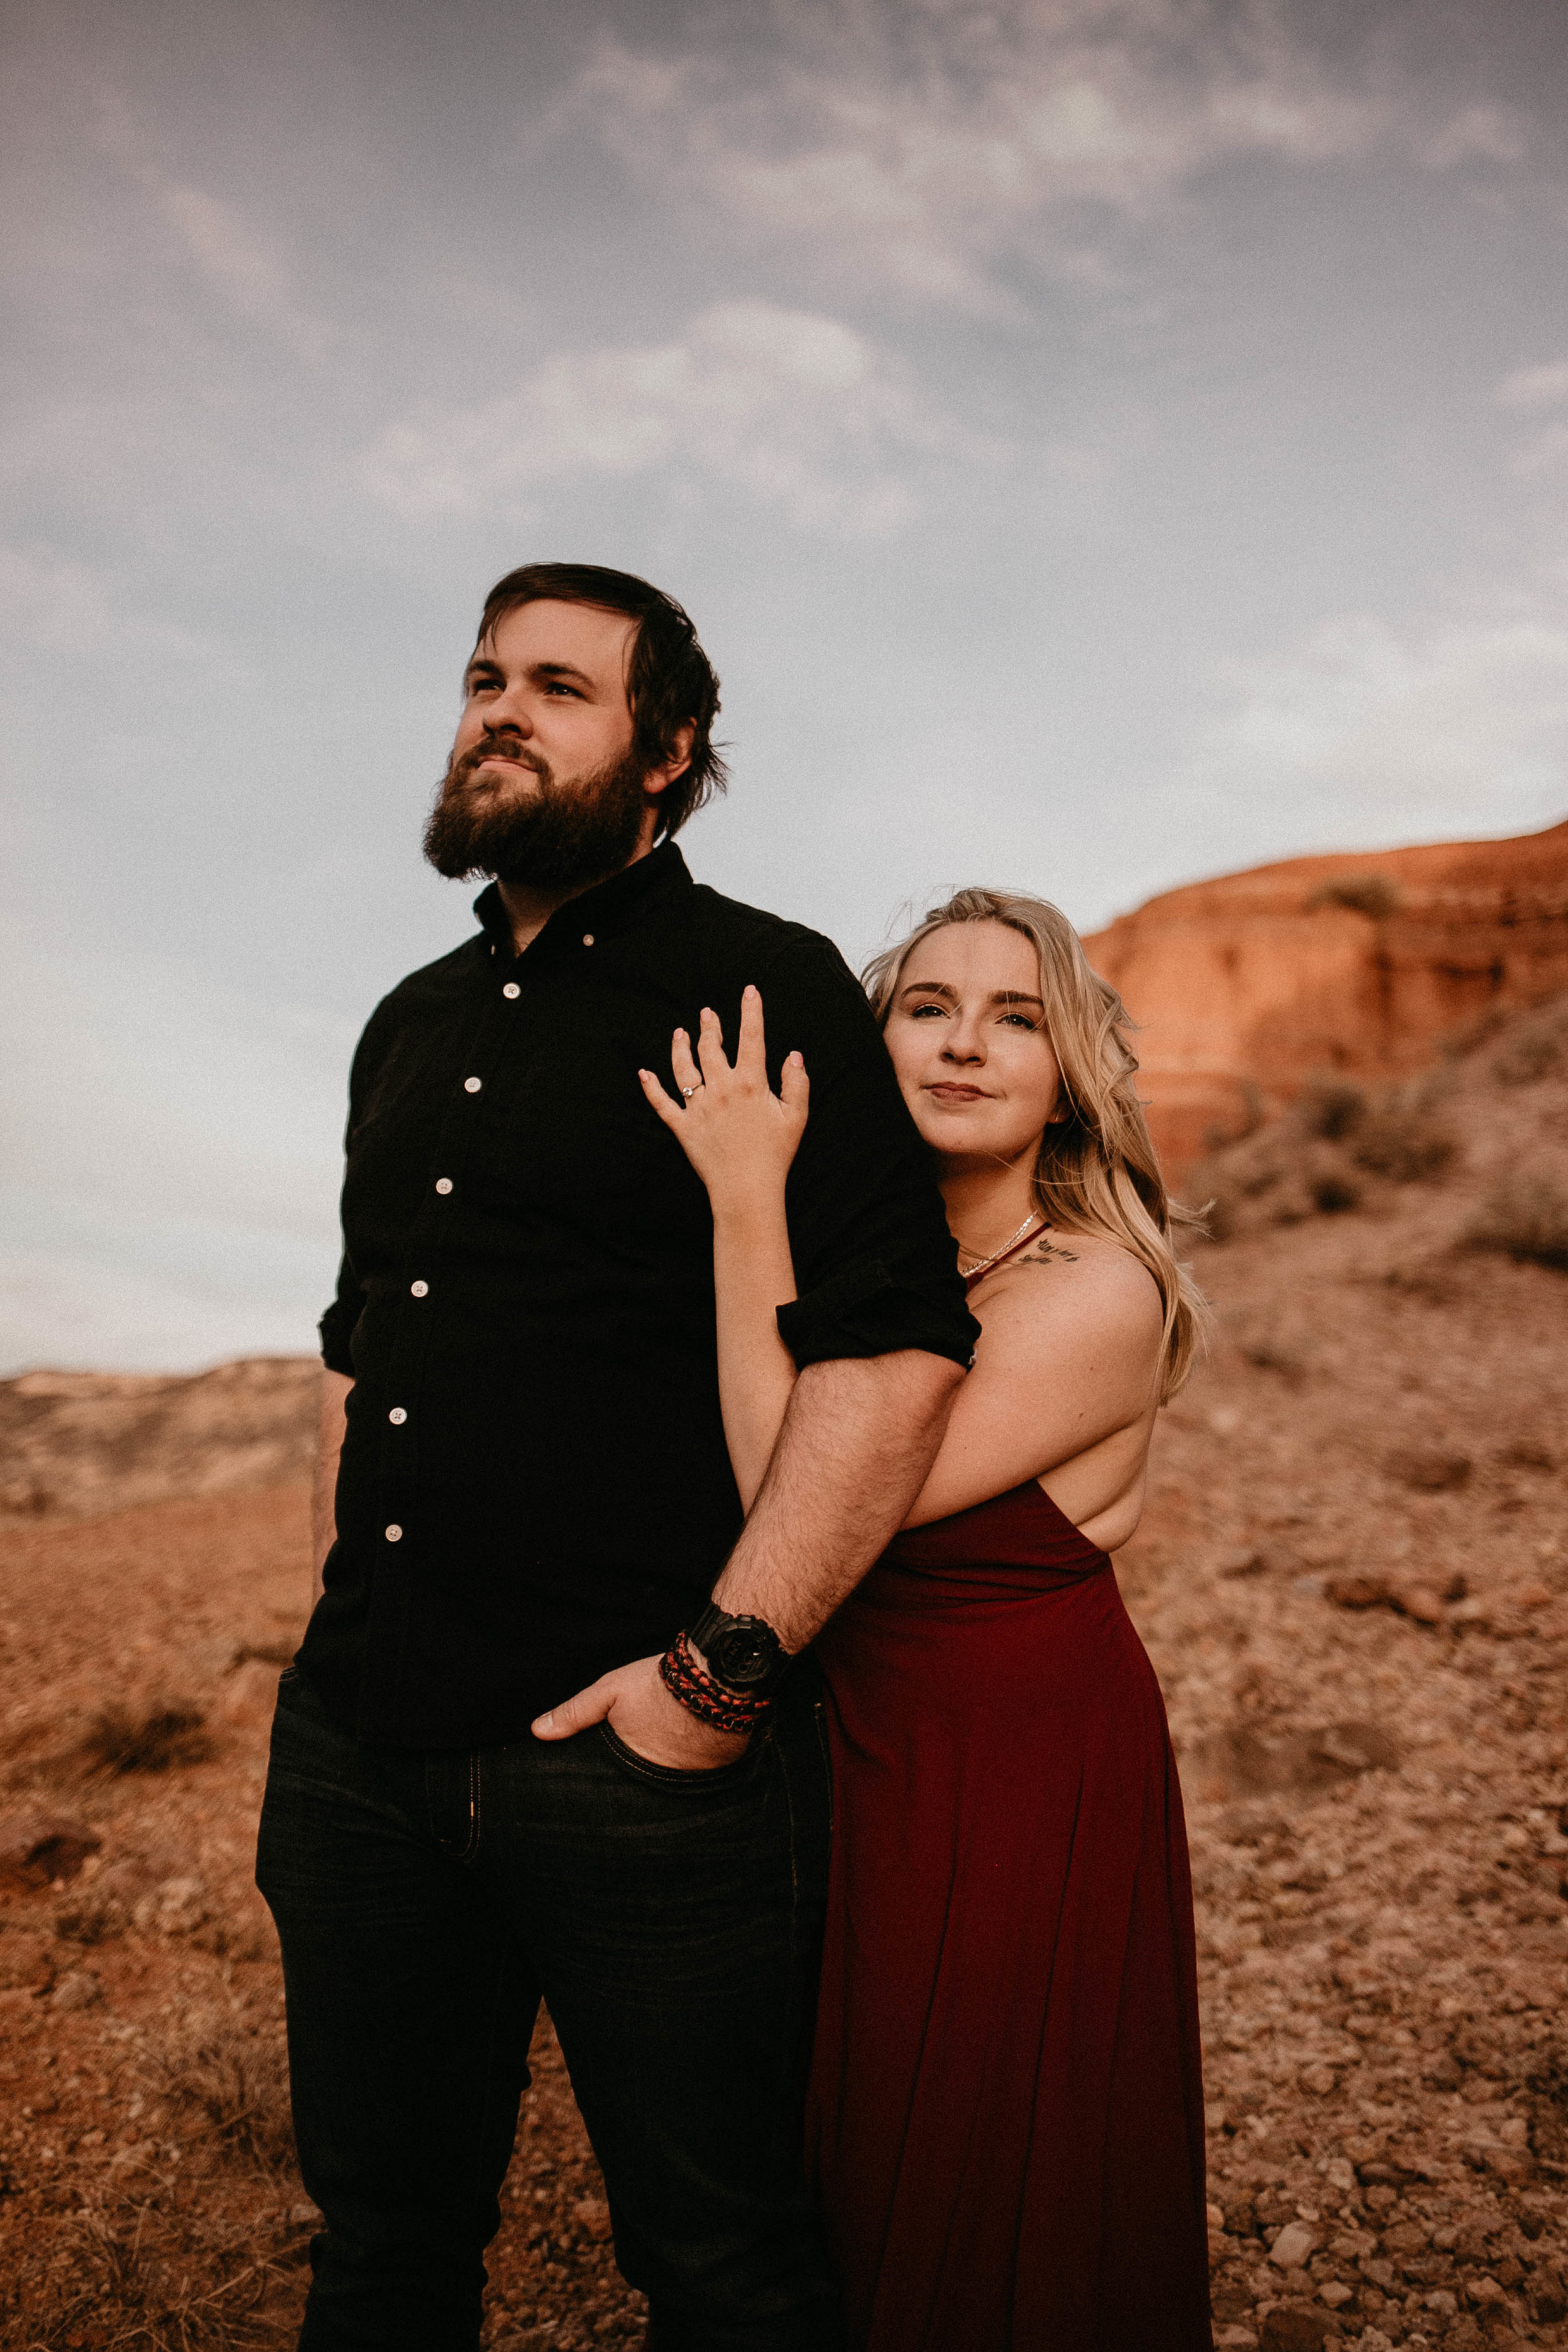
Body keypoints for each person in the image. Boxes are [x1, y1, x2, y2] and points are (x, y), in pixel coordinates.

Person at [255, 563, 979, 2352]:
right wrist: (328, 1658)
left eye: (559, 687)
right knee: (381, 2251)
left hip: (648, 1764)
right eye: (485, 676)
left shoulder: (764, 980)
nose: (499, 707)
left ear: (665, 755)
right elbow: (363, 1358)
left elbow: (890, 1357)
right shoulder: (404, 1024)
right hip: (362, 1756)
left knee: (725, 2270)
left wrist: (717, 1676)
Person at [638, 886, 1214, 2351]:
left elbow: (793, 1495)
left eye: (1014, 1018)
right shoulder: (875, 1274)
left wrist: (746, 1195)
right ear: (871, 1039)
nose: (964, 1044)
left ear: (1067, 1073)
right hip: (856, 1750)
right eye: (925, 1007)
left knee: (977, 2154)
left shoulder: (1096, 1287)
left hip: (1011, 1766)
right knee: (839, 2149)